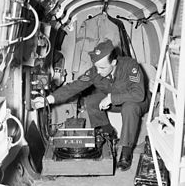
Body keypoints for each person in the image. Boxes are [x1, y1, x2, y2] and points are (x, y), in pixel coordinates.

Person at [32, 39, 151, 171]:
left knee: (130, 107)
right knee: (92, 101)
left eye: (102, 68)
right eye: (96, 67)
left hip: (138, 102)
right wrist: (49, 99)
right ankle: (108, 133)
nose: (98, 71)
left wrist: (112, 98)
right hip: (117, 101)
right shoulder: (96, 71)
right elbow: (74, 86)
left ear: (114, 62)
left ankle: (126, 152)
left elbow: (139, 94)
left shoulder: (130, 66)